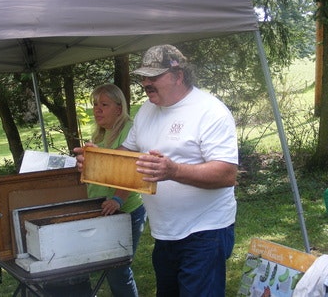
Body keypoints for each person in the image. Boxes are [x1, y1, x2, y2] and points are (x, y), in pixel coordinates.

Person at [74, 44, 238, 296]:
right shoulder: (147, 110)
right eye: (143, 77)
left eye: (154, 77)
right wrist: (96, 160)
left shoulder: (210, 111)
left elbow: (227, 174)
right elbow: (128, 154)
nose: (146, 83)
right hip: (165, 232)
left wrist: (172, 171)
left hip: (206, 232)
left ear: (178, 75)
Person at [88, 83, 146, 297]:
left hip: (125, 210)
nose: (97, 109)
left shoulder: (129, 130)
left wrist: (118, 200)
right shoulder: (100, 134)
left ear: (119, 109)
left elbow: (131, 170)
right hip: (103, 208)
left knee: (117, 270)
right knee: (107, 266)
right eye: (95, 104)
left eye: (104, 104)